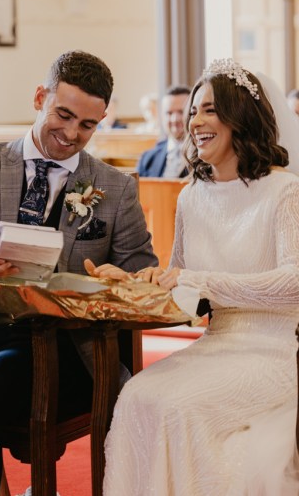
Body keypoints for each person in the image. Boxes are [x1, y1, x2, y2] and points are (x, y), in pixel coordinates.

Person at [0, 50, 158, 496]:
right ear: (40, 97)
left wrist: (119, 277)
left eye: (88, 125)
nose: (72, 134)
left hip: (64, 346)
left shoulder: (115, 188)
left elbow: (142, 269)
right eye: (64, 115)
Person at [87, 58, 299, 495]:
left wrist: (200, 280)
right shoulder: (191, 198)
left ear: (241, 117)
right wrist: (132, 283)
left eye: (210, 110)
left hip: (276, 350)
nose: (195, 121)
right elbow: (185, 294)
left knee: (179, 406)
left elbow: (293, 283)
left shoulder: (285, 192)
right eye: (193, 111)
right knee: (136, 397)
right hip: (217, 345)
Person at [137, 85, 190, 177]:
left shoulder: (206, 158)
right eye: (169, 113)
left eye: (181, 112)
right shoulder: (147, 159)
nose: (175, 119)